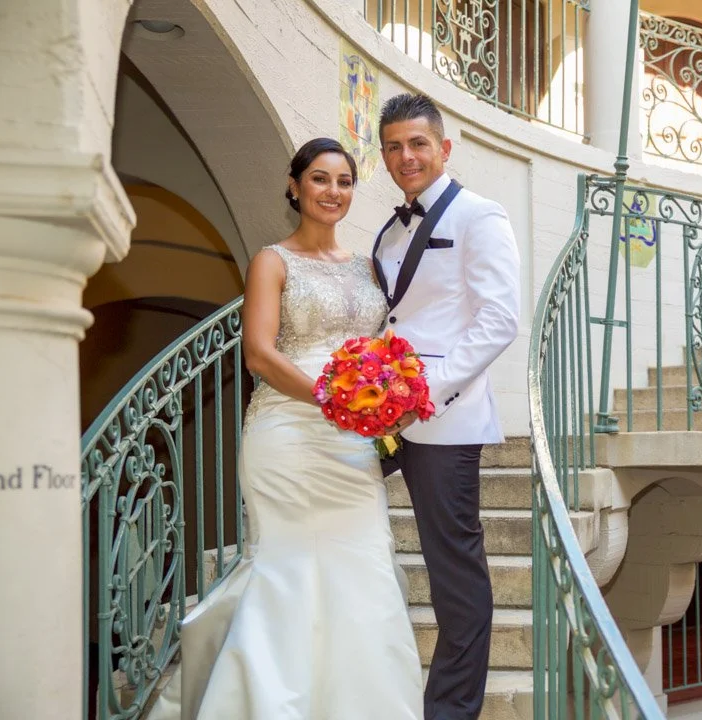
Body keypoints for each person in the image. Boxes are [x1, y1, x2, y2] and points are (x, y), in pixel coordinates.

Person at [147, 137, 423, 719]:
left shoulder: (367, 265)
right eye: (320, 179)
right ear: (295, 186)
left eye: (344, 181)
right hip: (288, 437)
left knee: (363, 566)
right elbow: (259, 355)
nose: (333, 192)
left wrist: (387, 397)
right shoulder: (271, 260)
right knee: (287, 570)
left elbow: (381, 347)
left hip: (352, 447)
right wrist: (331, 397)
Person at [373, 93, 521, 720]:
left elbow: (499, 321)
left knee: (454, 576)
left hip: (443, 417)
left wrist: (423, 395)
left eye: (418, 144)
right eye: (394, 147)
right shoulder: (391, 225)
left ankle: (451, 711)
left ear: (444, 148)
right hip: (379, 414)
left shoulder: (481, 216)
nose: (406, 156)